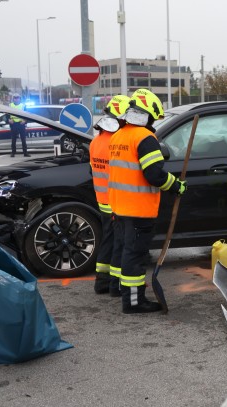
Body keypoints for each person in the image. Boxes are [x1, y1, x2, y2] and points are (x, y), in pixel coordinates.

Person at [108, 89, 187, 314]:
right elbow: (154, 174)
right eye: (153, 118)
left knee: (127, 252)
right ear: (147, 114)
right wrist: (176, 185)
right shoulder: (145, 138)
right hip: (138, 210)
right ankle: (134, 302)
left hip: (120, 208)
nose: (153, 122)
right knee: (135, 256)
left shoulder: (118, 136)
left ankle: (127, 294)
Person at [89, 94, 130, 295]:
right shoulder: (115, 142)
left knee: (108, 240)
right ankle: (116, 285)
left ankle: (102, 281)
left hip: (102, 200)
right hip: (116, 201)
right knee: (119, 243)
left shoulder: (96, 141)